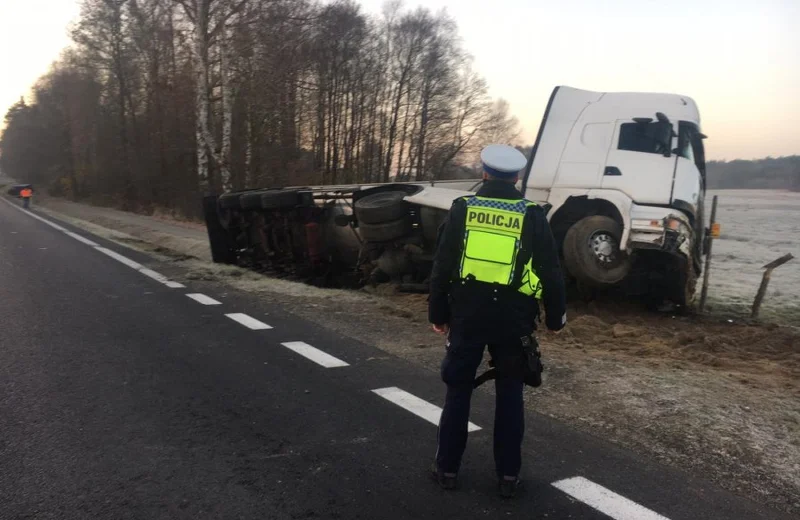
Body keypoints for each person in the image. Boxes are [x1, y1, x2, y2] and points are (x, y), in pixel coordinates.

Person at [428, 144, 567, 498]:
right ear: (517, 177)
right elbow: (551, 271)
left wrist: (438, 314)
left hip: (468, 316)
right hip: (514, 320)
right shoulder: (533, 215)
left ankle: (447, 469)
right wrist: (554, 318)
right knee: (510, 395)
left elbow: (443, 265)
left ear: (485, 173)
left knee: (458, 389)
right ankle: (508, 477)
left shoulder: (462, 209)